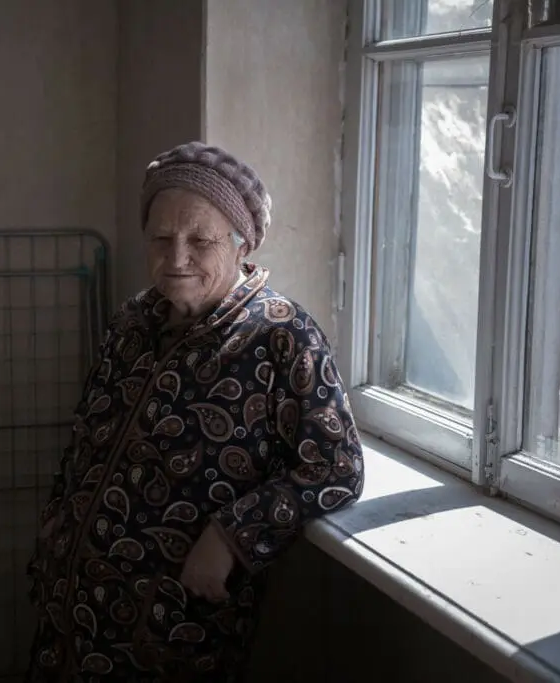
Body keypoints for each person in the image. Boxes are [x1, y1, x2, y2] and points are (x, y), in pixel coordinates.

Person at [25, 141, 364, 682]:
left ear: (240, 243)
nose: (176, 256)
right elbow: (87, 433)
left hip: (167, 625)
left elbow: (335, 468)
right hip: (72, 605)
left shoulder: (281, 335)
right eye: (161, 238)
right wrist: (59, 517)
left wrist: (231, 535)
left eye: (200, 240)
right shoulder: (133, 321)